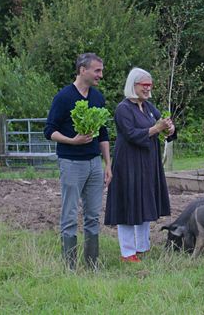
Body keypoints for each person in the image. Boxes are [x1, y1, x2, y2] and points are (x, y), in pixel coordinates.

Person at [44, 53, 112, 271]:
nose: (100, 75)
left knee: (93, 215)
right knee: (70, 215)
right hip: (71, 163)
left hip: (94, 164)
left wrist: (108, 164)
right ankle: (70, 267)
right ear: (83, 70)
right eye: (97, 70)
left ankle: (92, 265)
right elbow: (49, 131)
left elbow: (103, 134)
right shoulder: (64, 97)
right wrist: (72, 141)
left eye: (101, 71)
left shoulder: (97, 97)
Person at [104, 67, 175, 262]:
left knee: (144, 203)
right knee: (128, 205)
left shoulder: (149, 107)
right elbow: (132, 135)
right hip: (128, 165)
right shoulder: (123, 109)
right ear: (133, 85)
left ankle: (142, 247)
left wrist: (169, 129)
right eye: (144, 85)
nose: (148, 88)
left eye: (150, 85)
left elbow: (162, 126)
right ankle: (127, 253)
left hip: (147, 164)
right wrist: (156, 128)